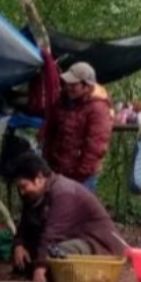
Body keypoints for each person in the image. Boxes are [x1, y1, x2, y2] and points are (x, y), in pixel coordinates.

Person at [9, 152, 127, 282]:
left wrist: (40, 268)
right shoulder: (35, 197)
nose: (22, 192)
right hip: (76, 241)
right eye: (19, 188)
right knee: (32, 251)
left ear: (39, 178)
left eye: (24, 187)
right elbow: (25, 225)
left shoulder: (63, 192)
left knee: (56, 253)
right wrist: (19, 244)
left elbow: (52, 234)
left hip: (98, 246)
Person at [39, 61, 112, 191]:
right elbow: (51, 132)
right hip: (56, 170)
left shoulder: (98, 109)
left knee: (77, 209)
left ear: (87, 86)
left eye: (74, 85)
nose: (68, 87)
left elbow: (96, 147)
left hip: (81, 177)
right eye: (68, 83)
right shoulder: (62, 102)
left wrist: (79, 174)